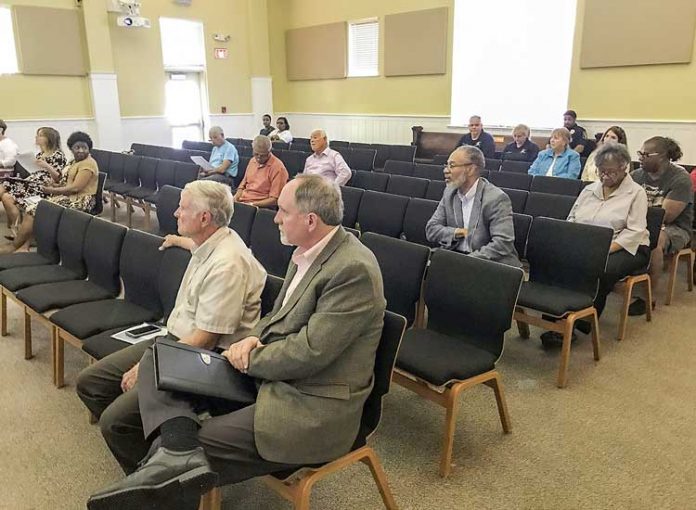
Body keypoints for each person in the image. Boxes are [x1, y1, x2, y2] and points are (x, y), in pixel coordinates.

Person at [85, 174, 386, 509]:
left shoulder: (352, 269)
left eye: (283, 211)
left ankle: (170, 467)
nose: (275, 217)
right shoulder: (308, 250)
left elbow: (311, 352)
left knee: (178, 450)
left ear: (310, 220)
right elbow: (279, 318)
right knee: (162, 361)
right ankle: (173, 458)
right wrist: (254, 338)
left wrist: (249, 358)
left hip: (310, 403)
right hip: (271, 377)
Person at [78, 181, 267, 495]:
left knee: (115, 422)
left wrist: (149, 365)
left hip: (205, 360)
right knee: (92, 383)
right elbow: (195, 247)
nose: (176, 211)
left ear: (205, 218)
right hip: (175, 341)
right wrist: (177, 239)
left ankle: (164, 489)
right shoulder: (208, 241)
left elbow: (206, 339)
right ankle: (155, 466)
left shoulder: (228, 264)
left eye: (183, 207)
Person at [540, 143, 650, 346]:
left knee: (600, 268)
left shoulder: (636, 193)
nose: (605, 176)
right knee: (555, 259)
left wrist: (603, 249)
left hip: (626, 246)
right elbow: (572, 217)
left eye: (611, 172)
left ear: (624, 167)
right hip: (587, 242)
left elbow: (635, 232)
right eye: (601, 171)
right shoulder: (590, 190)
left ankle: (583, 320)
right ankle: (557, 316)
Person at [0, 131, 99, 254]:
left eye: (84, 147)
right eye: (76, 147)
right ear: (71, 149)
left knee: (35, 208)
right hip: (68, 195)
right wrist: (54, 184)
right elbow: (66, 183)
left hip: (80, 200)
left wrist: (52, 190)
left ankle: (16, 245)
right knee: (31, 206)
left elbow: (75, 188)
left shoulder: (88, 164)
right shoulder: (74, 162)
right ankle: (23, 241)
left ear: (89, 148)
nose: (80, 150)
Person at [628, 136, 694, 316]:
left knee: (654, 240)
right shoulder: (636, 175)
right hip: (641, 221)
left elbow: (666, 216)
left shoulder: (680, 179)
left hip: (675, 228)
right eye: (640, 153)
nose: (640, 157)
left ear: (663, 156)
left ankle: (647, 297)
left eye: (646, 154)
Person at [426, 146, 521, 268]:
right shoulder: (449, 193)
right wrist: (457, 232)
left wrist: (467, 262)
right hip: (456, 255)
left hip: (489, 263)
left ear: (470, 169)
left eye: (452, 165)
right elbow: (431, 229)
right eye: (446, 165)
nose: (446, 170)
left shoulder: (496, 198)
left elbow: (503, 243)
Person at [0, 127, 67, 232]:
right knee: (6, 197)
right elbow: (35, 171)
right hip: (32, 181)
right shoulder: (40, 155)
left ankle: (18, 231)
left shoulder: (58, 155)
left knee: (6, 183)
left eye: (40, 135)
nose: (36, 137)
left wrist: (47, 166)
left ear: (48, 138)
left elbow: (58, 178)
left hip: (43, 186)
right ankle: (17, 228)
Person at [234, 135, 289, 208]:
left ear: (269, 151)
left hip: (261, 206)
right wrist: (236, 197)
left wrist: (252, 205)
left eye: (263, 155)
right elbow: (243, 184)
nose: (259, 158)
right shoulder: (252, 161)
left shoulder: (278, 168)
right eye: (256, 154)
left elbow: (275, 199)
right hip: (244, 200)